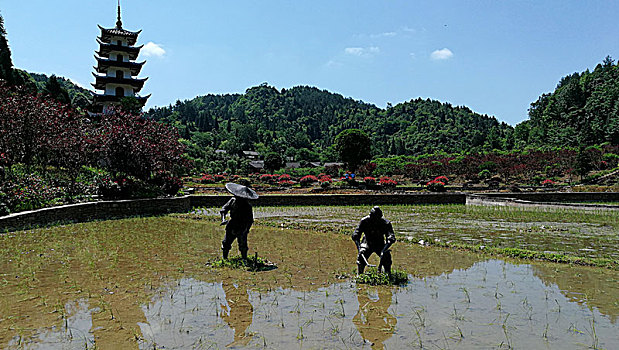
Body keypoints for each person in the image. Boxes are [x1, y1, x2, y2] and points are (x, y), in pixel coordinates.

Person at [352, 206, 396, 275]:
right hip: (367, 242)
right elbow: (356, 235)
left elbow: (391, 236)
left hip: (380, 244)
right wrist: (359, 248)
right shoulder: (364, 221)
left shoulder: (385, 223)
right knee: (361, 256)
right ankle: (360, 274)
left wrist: (384, 249)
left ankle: (388, 274)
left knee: (386, 257)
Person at [220, 182, 258, 260]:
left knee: (243, 245)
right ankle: (224, 259)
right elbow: (223, 210)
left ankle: (244, 259)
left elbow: (250, 220)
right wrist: (223, 219)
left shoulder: (247, 206)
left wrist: (246, 229)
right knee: (226, 242)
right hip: (232, 224)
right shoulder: (232, 201)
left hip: (242, 226)